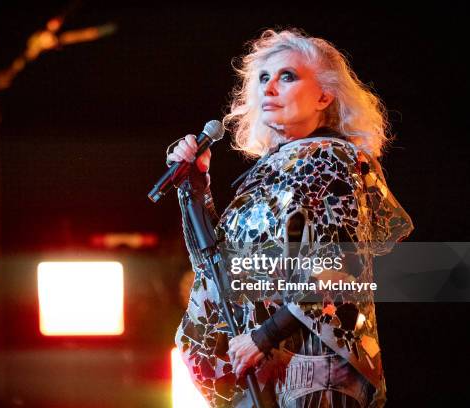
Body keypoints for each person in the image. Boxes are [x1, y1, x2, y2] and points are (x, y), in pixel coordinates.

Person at [168, 28, 413, 408]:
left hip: (315, 367)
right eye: (263, 78)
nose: (268, 88)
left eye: (287, 76)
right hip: (268, 367)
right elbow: (217, 266)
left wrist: (262, 337)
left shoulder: (331, 159)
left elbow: (337, 267)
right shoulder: (270, 171)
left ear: (323, 95)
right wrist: (195, 186)